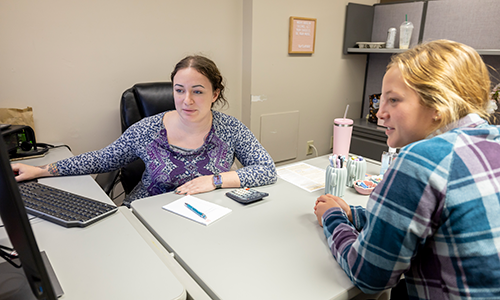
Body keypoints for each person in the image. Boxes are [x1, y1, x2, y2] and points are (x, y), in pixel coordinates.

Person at [314, 40, 500, 299]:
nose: (380, 113)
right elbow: (429, 224)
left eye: (393, 100)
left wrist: (333, 218)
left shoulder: (423, 159)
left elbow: (368, 274)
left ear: (438, 104)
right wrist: (353, 213)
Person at [12, 55, 277, 207]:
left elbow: (266, 169)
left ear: (215, 93)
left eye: (198, 91)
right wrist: (41, 170)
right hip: (147, 214)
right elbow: (103, 158)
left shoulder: (230, 128)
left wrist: (215, 180)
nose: (187, 100)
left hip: (206, 214)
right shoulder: (148, 129)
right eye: (179, 90)